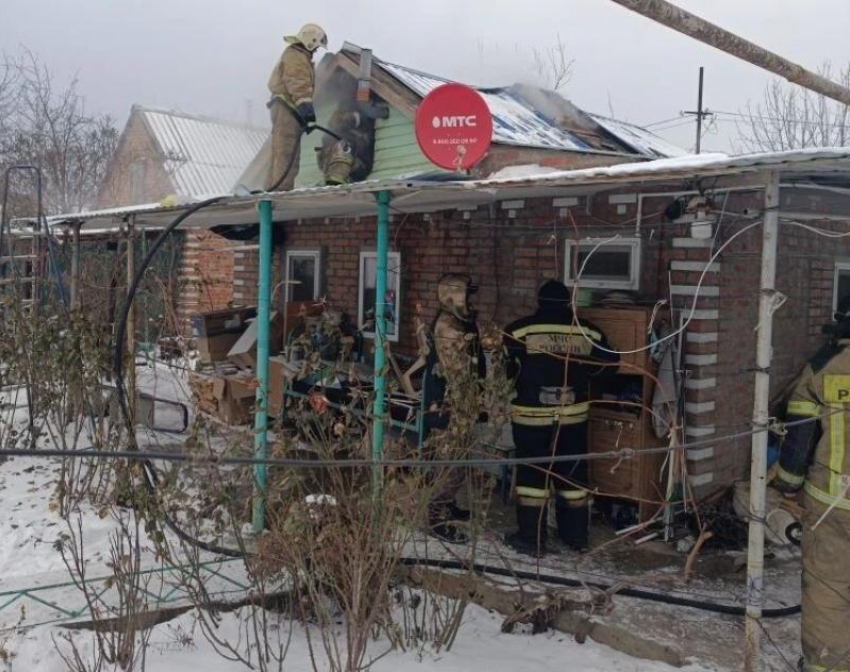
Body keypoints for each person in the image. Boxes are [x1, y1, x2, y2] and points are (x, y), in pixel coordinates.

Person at [503, 280, 617, 557]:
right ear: (568, 303)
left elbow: (507, 369)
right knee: (573, 476)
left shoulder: (520, 330)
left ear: (539, 301)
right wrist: (584, 380)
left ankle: (532, 539)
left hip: (531, 419)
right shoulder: (588, 331)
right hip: (573, 420)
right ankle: (576, 538)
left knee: (533, 476)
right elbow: (611, 366)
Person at [773, 295, 850, 672]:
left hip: (833, 508)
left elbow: (798, 440)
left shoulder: (823, 367)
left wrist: (787, 485)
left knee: (827, 593)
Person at [422, 274, 486, 543]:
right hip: (450, 405)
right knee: (449, 462)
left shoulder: (460, 321)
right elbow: (456, 371)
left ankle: (448, 506)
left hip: (461, 403)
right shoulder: (448, 325)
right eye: (466, 295)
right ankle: (437, 518)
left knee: (459, 459)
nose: (470, 300)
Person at [265, 23, 328, 191]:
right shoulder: (297, 57)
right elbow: (299, 85)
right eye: (316, 47)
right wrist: (308, 114)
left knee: (280, 152)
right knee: (287, 154)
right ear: (311, 41)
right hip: (287, 109)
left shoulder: (295, 55)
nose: (315, 51)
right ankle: (280, 192)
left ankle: (271, 189)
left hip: (286, 108)